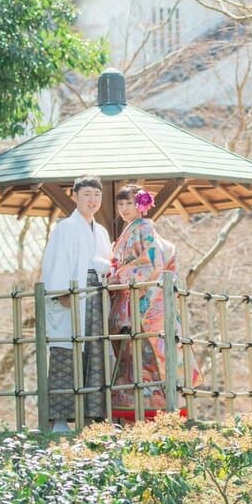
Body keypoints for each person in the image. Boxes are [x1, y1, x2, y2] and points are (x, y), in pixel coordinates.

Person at [107, 183, 194, 417]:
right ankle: (137, 408)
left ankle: (152, 409)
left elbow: (151, 264)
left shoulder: (144, 227)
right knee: (134, 357)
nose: (124, 208)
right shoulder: (130, 229)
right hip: (132, 299)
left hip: (146, 303)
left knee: (146, 356)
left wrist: (119, 275)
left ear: (141, 205)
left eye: (130, 203)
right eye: (121, 203)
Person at [41, 175, 112, 431]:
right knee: (66, 353)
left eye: (96, 194)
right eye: (86, 194)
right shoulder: (65, 228)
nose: (92, 200)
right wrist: (62, 293)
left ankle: (93, 416)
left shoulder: (101, 231)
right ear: (74, 196)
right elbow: (56, 263)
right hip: (72, 297)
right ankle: (60, 419)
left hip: (95, 297)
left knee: (95, 353)